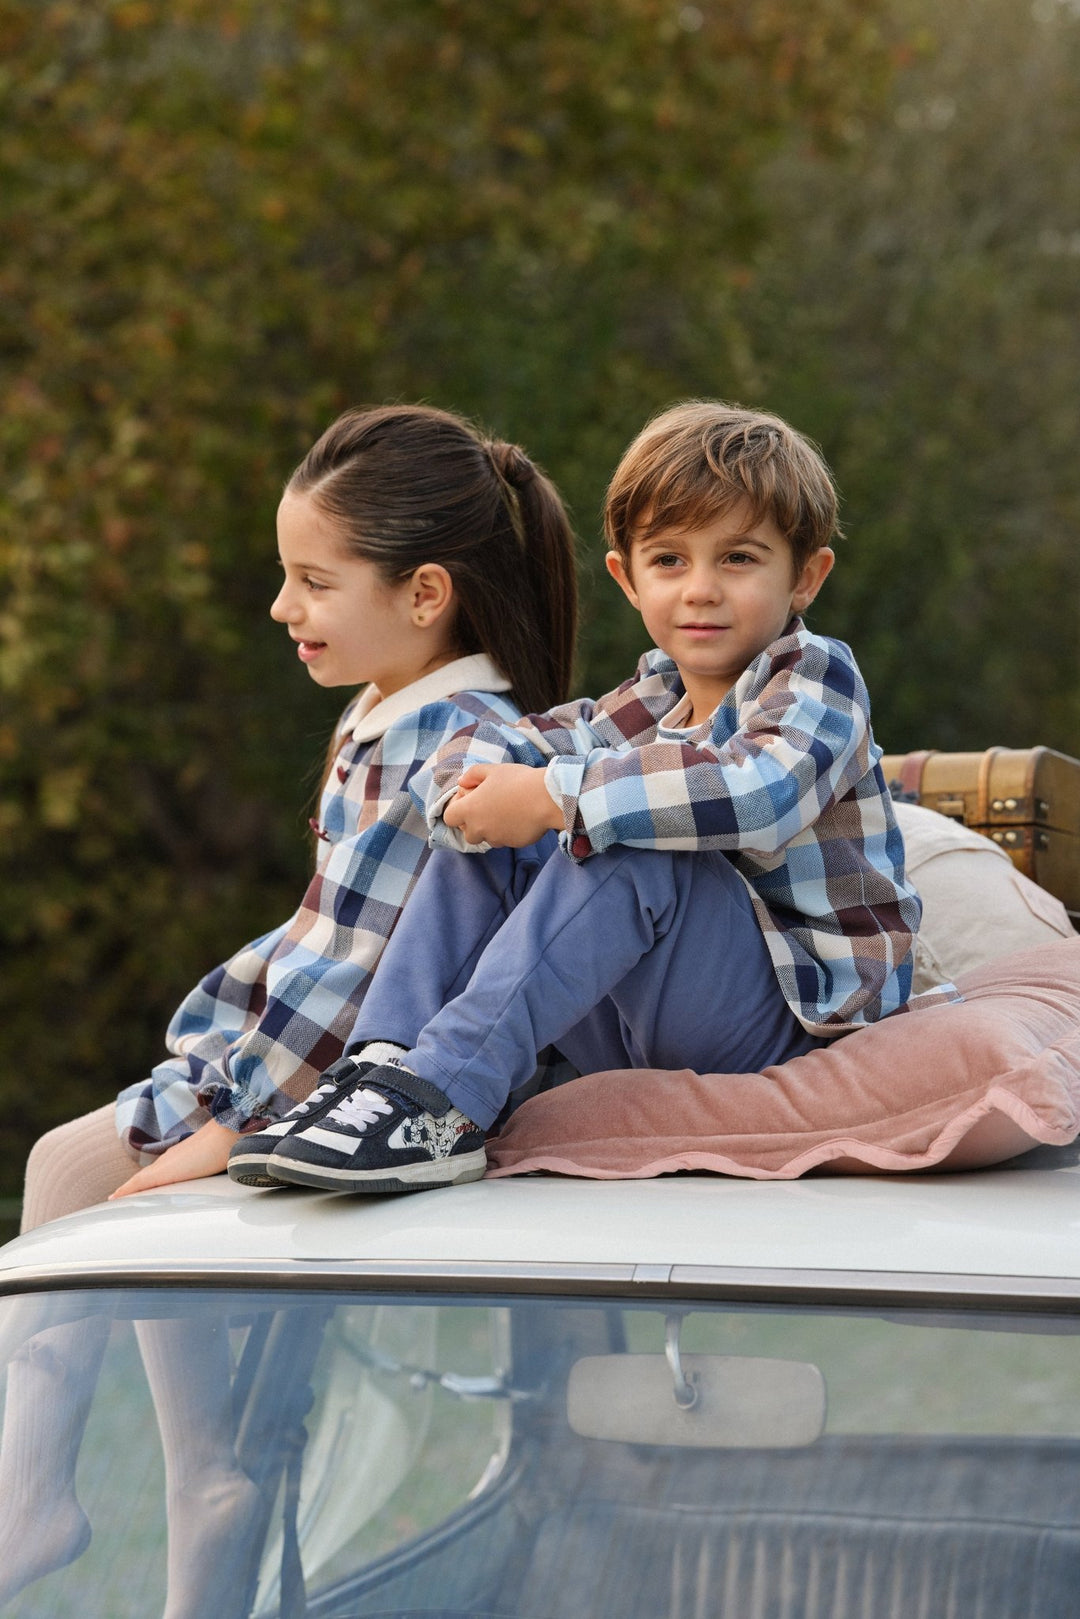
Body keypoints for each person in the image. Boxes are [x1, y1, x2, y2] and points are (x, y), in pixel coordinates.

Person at [1, 403, 578, 1615]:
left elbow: (361, 974)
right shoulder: (391, 714)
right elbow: (318, 944)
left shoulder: (451, 744)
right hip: (288, 1059)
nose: (281, 607)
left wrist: (223, 1117)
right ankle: (191, 1479)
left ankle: (46, 1498)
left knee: (90, 1171)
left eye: (314, 581)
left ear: (425, 594)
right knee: (88, 1174)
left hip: (344, 1077)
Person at [257, 399, 931, 1198]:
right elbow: (511, 743)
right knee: (506, 831)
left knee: (633, 841)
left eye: (739, 559)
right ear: (627, 578)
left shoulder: (814, 678)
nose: (701, 590)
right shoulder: (649, 698)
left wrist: (552, 794)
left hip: (793, 1016)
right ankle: (383, 1068)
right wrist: (475, 793)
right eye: (670, 560)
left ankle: (442, 1100)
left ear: (805, 577)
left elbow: (757, 792)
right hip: (645, 1020)